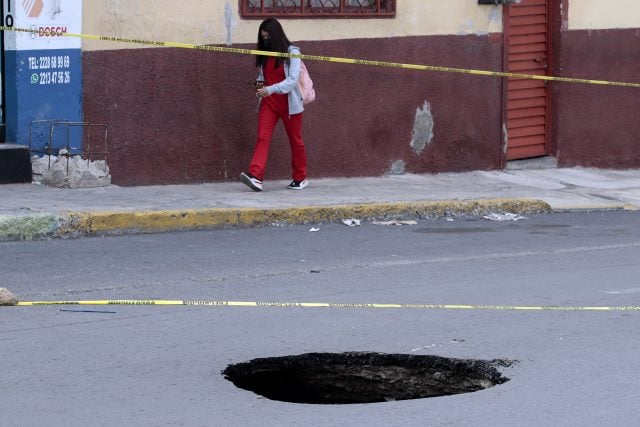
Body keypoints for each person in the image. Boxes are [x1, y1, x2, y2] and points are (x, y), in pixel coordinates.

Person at [239, 18, 308, 192]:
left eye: (268, 37)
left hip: (289, 104)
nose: (265, 41)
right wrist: (259, 86)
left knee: (295, 141)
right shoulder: (264, 53)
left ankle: (300, 178)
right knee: (262, 137)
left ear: (276, 36)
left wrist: (270, 89)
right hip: (269, 104)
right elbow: (263, 78)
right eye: (262, 38)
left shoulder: (292, 52)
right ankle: (256, 177)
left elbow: (292, 80)